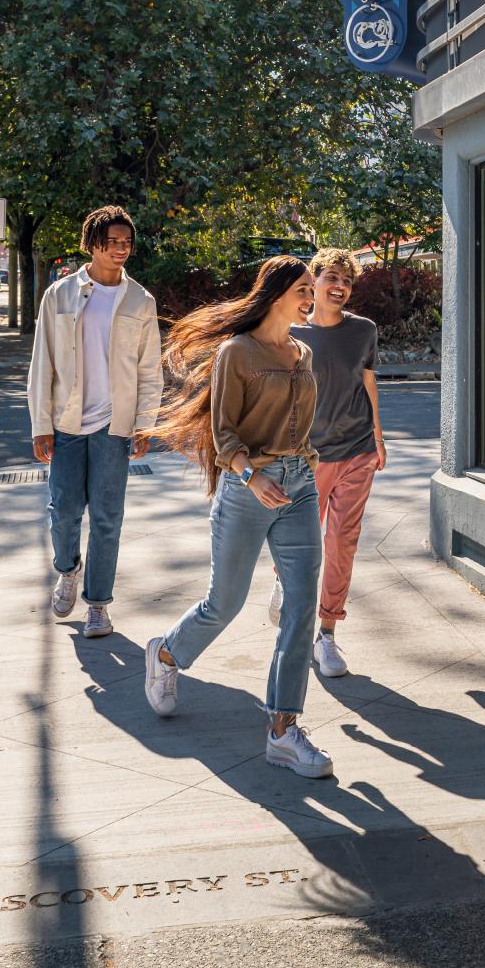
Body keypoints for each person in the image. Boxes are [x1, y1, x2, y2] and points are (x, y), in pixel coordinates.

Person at [145, 256, 334, 780]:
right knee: (223, 603)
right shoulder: (238, 352)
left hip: (297, 486)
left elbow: (301, 426)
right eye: (302, 289)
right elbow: (223, 432)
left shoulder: (304, 353)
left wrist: (304, 468)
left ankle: (282, 729)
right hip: (248, 487)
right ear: (275, 293)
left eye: (311, 290)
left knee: (301, 607)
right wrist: (253, 476)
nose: (310, 298)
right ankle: (165, 655)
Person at [27, 205, 163, 639]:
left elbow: (149, 369)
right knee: (64, 511)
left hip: (114, 426)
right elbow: (42, 362)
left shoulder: (141, 300)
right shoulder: (61, 294)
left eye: (127, 242)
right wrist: (40, 423)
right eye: (113, 241)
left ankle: (98, 604)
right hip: (66, 423)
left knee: (108, 518)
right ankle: (67, 570)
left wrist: (145, 423)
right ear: (92, 243)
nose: (121, 248)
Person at [267, 247, 387, 677]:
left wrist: (377, 435)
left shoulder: (364, 331)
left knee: (342, 543)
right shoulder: (289, 334)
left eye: (347, 281)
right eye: (332, 278)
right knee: (303, 543)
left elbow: (368, 381)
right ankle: (283, 582)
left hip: (357, 451)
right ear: (313, 282)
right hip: (307, 458)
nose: (340, 287)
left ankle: (328, 635)